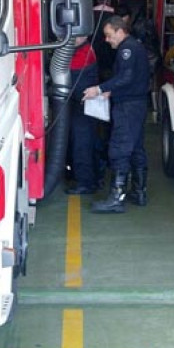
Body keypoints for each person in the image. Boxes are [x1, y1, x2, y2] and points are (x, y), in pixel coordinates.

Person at [83, 15, 151, 213]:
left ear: (120, 32)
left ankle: (116, 197)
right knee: (136, 147)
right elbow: (131, 79)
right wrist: (111, 90)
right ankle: (139, 192)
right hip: (137, 103)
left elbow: (126, 77)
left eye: (109, 35)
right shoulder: (135, 47)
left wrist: (99, 88)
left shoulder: (126, 50)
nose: (106, 40)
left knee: (119, 148)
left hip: (127, 106)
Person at [66, 35, 100, 195]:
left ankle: (85, 182)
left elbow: (73, 83)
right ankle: (89, 177)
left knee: (82, 143)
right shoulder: (81, 50)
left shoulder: (83, 53)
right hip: (82, 104)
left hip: (84, 104)